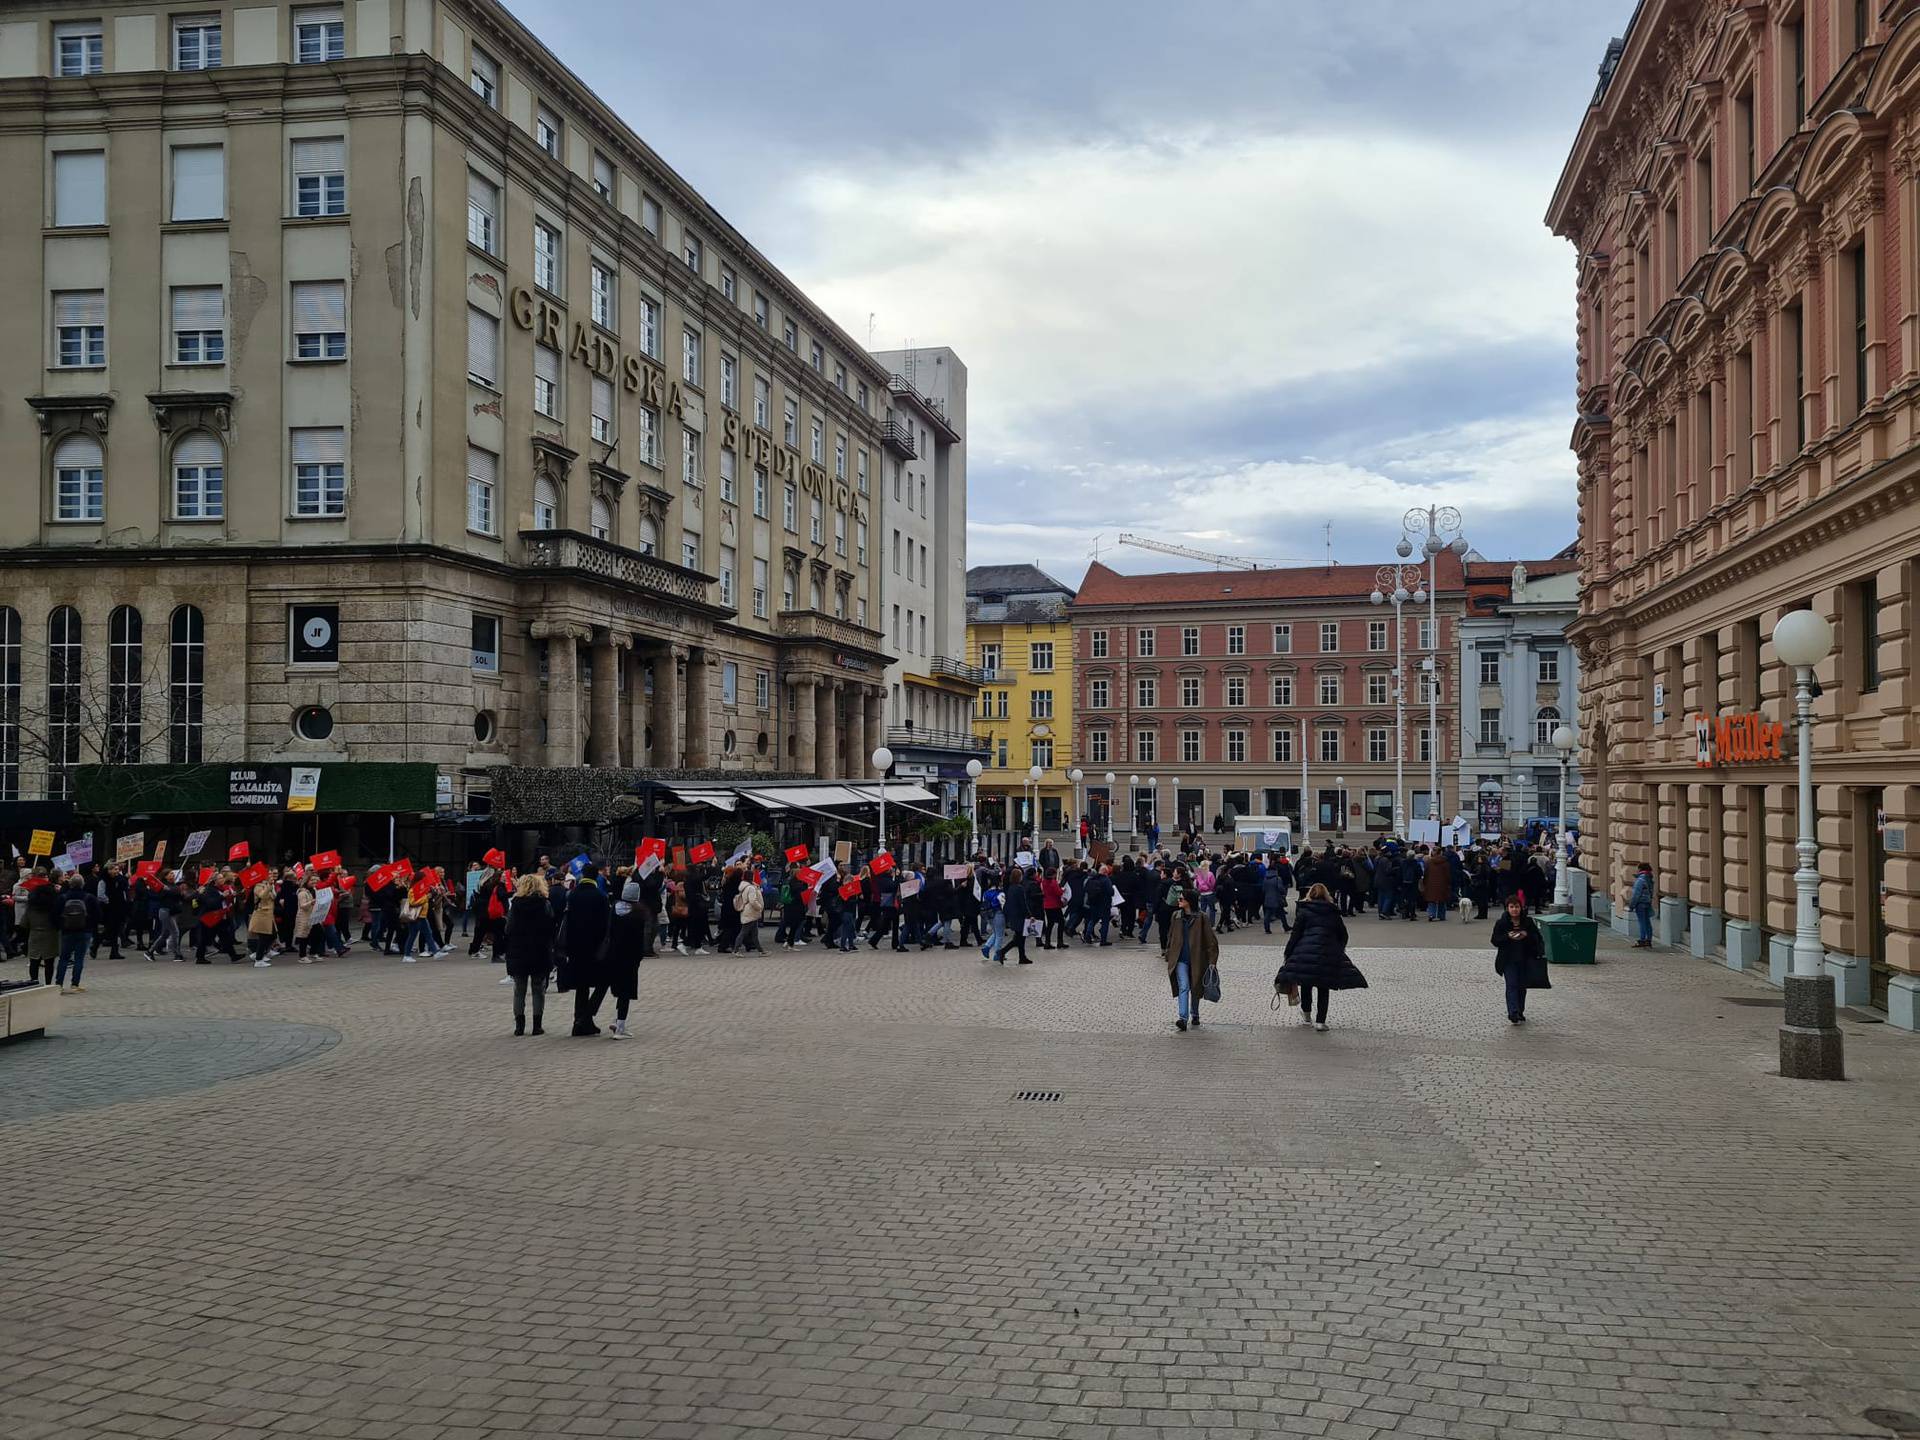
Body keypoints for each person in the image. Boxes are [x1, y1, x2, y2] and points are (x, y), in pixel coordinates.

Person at [1272, 882, 1368, 1031]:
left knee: (1305, 983)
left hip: (1305, 951)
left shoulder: (1304, 911)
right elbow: (1343, 934)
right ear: (1326, 895)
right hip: (1327, 952)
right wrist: (1338, 949)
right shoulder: (1333, 911)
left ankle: (1306, 1015)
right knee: (1324, 986)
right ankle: (1321, 1022)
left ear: (1310, 894)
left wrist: (1289, 952)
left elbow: (1295, 934)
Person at [502, 873, 555, 1036]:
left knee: (519, 988)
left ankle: (519, 1026)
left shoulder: (515, 905)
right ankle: (537, 1025)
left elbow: (508, 928)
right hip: (539, 949)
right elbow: (551, 926)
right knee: (538, 988)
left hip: (519, 950)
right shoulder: (545, 904)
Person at [1162, 885, 1218, 1032]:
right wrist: (1168, 952)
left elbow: (1211, 941)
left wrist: (1212, 962)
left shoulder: (1202, 918)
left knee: (1195, 986)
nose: (1178, 900)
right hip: (1179, 958)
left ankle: (1195, 1014)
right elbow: (1171, 935)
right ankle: (1183, 1018)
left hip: (1197, 958)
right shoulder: (1176, 916)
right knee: (1184, 986)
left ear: (1189, 901)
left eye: (1181, 899)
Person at [565, 864, 611, 1035]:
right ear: (596, 876)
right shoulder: (600, 896)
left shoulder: (573, 894)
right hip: (595, 948)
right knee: (604, 981)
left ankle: (580, 1022)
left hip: (575, 947)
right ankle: (586, 1016)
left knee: (582, 985)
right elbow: (605, 924)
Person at [1493, 893, 1549, 1023]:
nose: (1514, 909)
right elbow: (1495, 940)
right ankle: (1513, 1012)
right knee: (1511, 985)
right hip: (1508, 960)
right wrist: (1508, 937)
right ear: (1507, 908)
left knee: (1521, 986)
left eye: (1516, 906)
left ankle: (1520, 1010)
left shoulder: (1528, 922)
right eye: (1511, 907)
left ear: (1521, 908)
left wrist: (1526, 935)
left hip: (1525, 959)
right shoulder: (1502, 923)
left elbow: (1537, 939)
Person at [54, 873, 97, 993]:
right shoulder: (89, 897)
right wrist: (90, 926)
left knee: (64, 958)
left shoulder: (63, 897)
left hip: (67, 931)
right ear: (83, 884)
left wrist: (60, 926)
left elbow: (55, 914)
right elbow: (98, 915)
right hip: (84, 931)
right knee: (79, 958)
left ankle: (59, 984)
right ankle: (75, 984)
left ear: (70, 884)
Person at [23, 872, 59, 985]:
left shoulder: (31, 908)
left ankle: (34, 982)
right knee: (49, 962)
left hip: (35, 935)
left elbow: (23, 923)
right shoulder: (53, 906)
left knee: (34, 962)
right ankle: (48, 983)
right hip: (51, 935)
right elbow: (58, 921)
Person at [730, 869, 764, 952]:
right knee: (744, 932)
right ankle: (736, 949)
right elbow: (753, 900)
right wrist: (759, 907)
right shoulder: (750, 888)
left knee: (754, 933)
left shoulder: (744, 886)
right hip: (751, 911)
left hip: (748, 911)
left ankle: (761, 950)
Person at [246, 879, 276, 967]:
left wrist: (271, 887)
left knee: (272, 935)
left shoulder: (267, 885)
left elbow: (274, 897)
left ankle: (260, 954)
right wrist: (269, 887)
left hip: (268, 915)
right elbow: (262, 896)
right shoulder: (258, 887)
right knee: (264, 936)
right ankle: (258, 959)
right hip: (262, 914)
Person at [1629, 862, 1654, 946]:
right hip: (1647, 902)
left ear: (1640, 869)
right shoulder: (1649, 878)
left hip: (1640, 903)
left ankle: (1642, 939)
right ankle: (1649, 939)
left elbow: (1636, 894)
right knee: (1647, 922)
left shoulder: (1640, 879)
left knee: (1642, 922)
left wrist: (1632, 905)